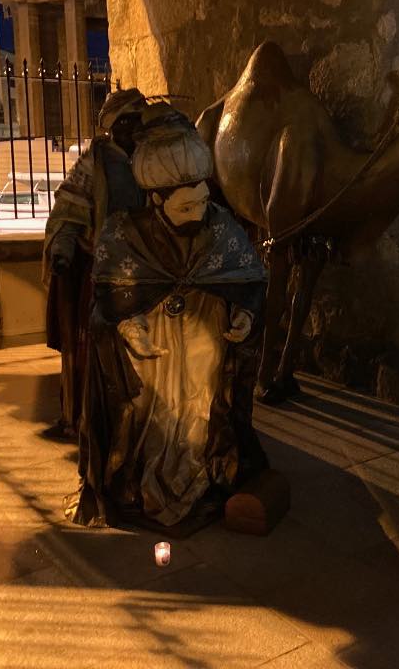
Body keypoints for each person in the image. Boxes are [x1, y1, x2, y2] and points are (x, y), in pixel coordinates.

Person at [64, 109, 269, 529]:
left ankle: (199, 473)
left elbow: (248, 280)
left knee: (198, 415)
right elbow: (111, 297)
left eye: (202, 201)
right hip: (151, 354)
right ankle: (143, 477)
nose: (197, 213)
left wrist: (244, 315)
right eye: (185, 207)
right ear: (157, 200)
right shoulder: (124, 234)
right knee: (152, 416)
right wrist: (130, 327)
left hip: (202, 347)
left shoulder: (221, 225)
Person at [42, 88, 148, 440]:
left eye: (137, 119)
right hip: (99, 272)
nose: (132, 127)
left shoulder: (153, 158)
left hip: (145, 268)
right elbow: (68, 210)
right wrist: (63, 248)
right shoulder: (95, 162)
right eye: (125, 120)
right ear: (111, 126)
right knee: (93, 350)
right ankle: (88, 418)